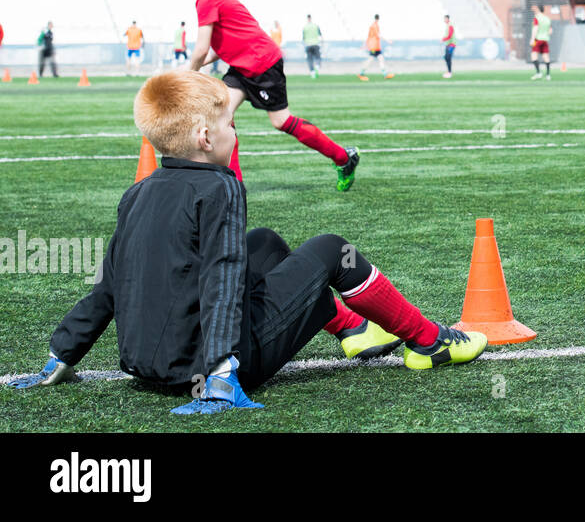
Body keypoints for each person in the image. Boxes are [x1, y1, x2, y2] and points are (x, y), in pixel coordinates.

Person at [8, 71, 487, 413]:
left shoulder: (137, 193)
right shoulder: (220, 186)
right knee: (331, 249)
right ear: (202, 136)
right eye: (228, 124)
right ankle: (429, 342)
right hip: (208, 366)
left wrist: (62, 355)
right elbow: (219, 279)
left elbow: (108, 285)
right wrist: (219, 374)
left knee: (264, 243)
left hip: (147, 365)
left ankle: (353, 331)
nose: (233, 132)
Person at [177, 0, 361, 191]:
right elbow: (214, 49)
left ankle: (343, 158)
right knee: (222, 115)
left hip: (262, 64)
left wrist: (188, 76)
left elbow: (200, 50)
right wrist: (190, 70)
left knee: (281, 121)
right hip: (242, 68)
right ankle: (234, 187)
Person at [358, 14, 393, 81]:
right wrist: (388, 40)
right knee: (371, 59)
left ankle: (385, 74)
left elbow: (369, 36)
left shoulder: (373, 26)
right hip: (374, 46)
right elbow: (378, 35)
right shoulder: (375, 26)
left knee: (380, 58)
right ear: (378, 19)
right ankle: (361, 73)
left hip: (375, 46)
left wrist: (365, 44)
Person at [529, 4, 552, 80]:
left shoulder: (537, 18)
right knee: (546, 56)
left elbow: (535, 28)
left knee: (533, 55)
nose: (534, 10)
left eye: (535, 9)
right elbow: (550, 31)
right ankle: (548, 75)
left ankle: (538, 73)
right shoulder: (547, 18)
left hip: (538, 39)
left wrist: (532, 39)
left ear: (538, 9)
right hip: (545, 39)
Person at [302, 14, 323, 79]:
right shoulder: (316, 26)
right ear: (311, 18)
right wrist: (322, 43)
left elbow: (303, 38)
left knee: (310, 60)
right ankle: (317, 66)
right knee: (318, 57)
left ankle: (312, 73)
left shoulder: (305, 27)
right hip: (316, 44)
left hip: (308, 45)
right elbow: (320, 35)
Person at [441, 14, 457, 79]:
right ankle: (449, 71)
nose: (444, 20)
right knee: (446, 57)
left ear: (447, 19)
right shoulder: (447, 25)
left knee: (448, 57)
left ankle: (449, 72)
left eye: (445, 19)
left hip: (451, 44)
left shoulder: (450, 25)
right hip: (448, 44)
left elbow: (449, 35)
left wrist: (443, 39)